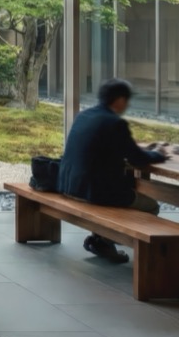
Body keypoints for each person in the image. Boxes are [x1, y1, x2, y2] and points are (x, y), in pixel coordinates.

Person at [58, 79, 166, 263]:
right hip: (94, 191)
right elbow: (137, 159)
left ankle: (102, 239)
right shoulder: (115, 123)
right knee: (151, 205)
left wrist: (138, 149)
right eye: (127, 100)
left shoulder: (84, 115)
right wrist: (158, 154)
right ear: (120, 100)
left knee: (127, 194)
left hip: (69, 186)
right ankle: (109, 241)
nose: (127, 104)